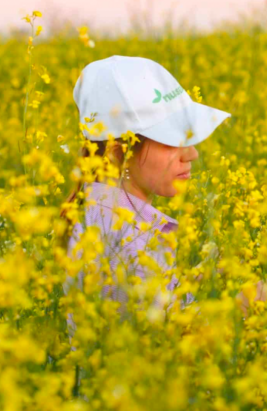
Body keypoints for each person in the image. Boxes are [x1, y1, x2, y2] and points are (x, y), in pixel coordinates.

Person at [63, 55, 231, 307]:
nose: (191, 154)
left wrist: (204, 281)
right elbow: (159, 337)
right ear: (116, 154)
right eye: (171, 141)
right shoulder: (125, 244)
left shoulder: (98, 214)